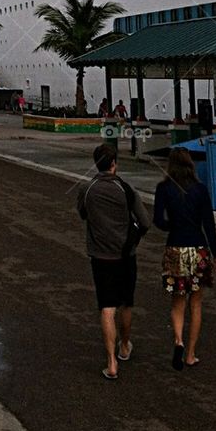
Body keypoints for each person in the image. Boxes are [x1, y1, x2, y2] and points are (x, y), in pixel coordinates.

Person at [76, 143, 150, 380]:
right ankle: (125, 345)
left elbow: (83, 214)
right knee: (126, 303)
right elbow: (145, 222)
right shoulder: (126, 189)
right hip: (126, 254)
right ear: (114, 164)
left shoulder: (87, 189)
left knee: (107, 307)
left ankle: (111, 363)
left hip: (100, 256)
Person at [153, 147, 216, 369]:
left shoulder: (164, 188)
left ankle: (178, 341)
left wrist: (172, 226)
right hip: (198, 248)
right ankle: (191, 354)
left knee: (177, 302)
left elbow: (158, 220)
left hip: (175, 247)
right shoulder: (200, 190)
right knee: (196, 303)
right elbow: (208, 224)